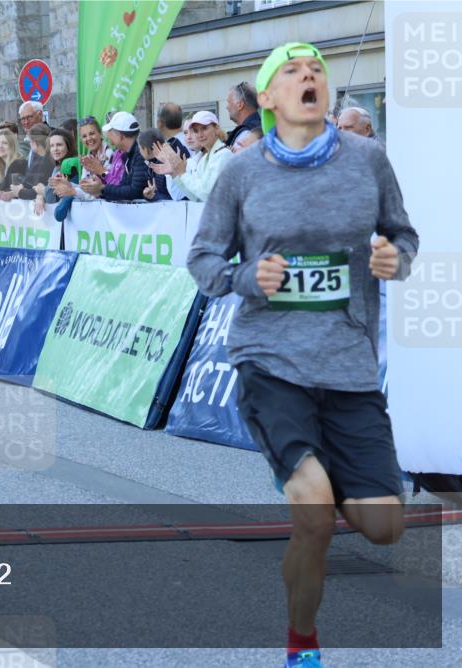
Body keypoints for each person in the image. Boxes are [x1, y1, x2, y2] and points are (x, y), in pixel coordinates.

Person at [187, 42, 418, 668]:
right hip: (270, 361)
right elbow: (202, 260)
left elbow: (403, 235)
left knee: (384, 527)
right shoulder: (242, 172)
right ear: (268, 96)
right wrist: (247, 277)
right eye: (291, 71)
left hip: (348, 365)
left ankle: (317, 470)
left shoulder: (368, 159)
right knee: (315, 514)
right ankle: (302, 643)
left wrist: (396, 259)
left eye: (316, 68)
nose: (308, 76)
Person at [151, 110, 232, 202]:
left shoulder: (223, 155)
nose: (200, 135)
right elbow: (195, 196)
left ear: (216, 128)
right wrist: (175, 174)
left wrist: (182, 173)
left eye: (204, 128)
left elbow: (206, 195)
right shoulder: (205, 159)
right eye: (196, 131)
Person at [80, 111, 148, 202]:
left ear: (120, 136)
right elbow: (122, 186)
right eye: (84, 136)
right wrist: (101, 189)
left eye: (110, 131)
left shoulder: (140, 153)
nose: (108, 136)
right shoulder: (127, 154)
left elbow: (134, 191)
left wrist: (102, 185)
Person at [32, 127, 77, 215]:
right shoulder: (57, 167)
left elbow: (52, 198)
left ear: (68, 146)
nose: (55, 149)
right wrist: (40, 196)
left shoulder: (71, 166)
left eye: (59, 145)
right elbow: (49, 191)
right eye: (52, 145)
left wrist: (43, 191)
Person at [13, 123, 54, 201]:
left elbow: (40, 190)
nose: (29, 144)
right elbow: (31, 182)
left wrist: (19, 192)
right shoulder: (40, 157)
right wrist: (19, 188)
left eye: (30, 141)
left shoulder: (48, 160)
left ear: (35, 142)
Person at [137, 129, 173, 201]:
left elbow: (170, 197)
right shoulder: (154, 164)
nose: (139, 151)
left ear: (146, 150)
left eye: (140, 148)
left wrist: (153, 196)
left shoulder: (161, 168)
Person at [224, 82, 262, 149]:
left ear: (240, 105)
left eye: (229, 102)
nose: (227, 107)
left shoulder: (247, 134)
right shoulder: (262, 128)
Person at [78, 116, 114, 181]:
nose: (88, 138)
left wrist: (100, 170)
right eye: (84, 136)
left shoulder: (110, 154)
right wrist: (69, 185)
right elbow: (84, 183)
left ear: (100, 134)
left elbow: (113, 180)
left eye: (92, 134)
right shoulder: (88, 158)